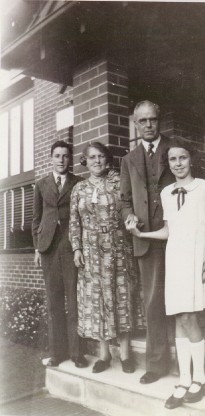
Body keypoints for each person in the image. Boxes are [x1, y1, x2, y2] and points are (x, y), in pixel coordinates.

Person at [120, 100, 205, 385]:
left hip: (186, 241)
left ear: (159, 120)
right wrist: (130, 219)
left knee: (187, 305)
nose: (148, 125)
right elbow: (125, 200)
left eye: (152, 119)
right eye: (142, 121)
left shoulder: (176, 150)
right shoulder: (129, 160)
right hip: (152, 238)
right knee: (154, 301)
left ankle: (188, 369)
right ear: (136, 124)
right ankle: (157, 364)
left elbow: (201, 196)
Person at [69, 142, 144, 374]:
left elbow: (129, 209)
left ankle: (125, 354)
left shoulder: (117, 182)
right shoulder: (79, 189)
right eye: (92, 157)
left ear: (107, 159)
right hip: (91, 253)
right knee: (98, 300)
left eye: (101, 156)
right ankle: (103, 355)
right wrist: (77, 249)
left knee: (121, 298)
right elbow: (74, 222)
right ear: (85, 161)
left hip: (118, 249)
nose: (97, 161)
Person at [32, 140, 87, 368]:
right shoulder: (41, 184)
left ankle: (77, 353)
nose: (61, 160)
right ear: (51, 158)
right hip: (48, 249)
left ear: (70, 159)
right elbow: (36, 218)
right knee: (54, 301)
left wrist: (80, 247)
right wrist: (36, 247)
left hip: (70, 247)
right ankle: (58, 353)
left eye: (65, 156)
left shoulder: (79, 183)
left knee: (74, 301)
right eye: (57, 155)